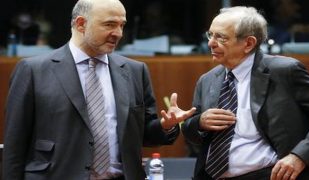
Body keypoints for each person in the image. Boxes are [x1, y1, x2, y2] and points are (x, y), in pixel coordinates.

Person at [3, 0, 195, 179]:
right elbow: (15, 145)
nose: (119, 33)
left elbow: (146, 134)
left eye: (122, 25)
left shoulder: (135, 71)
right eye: (110, 24)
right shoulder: (33, 70)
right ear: (80, 24)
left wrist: (166, 125)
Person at [181, 6, 309, 180]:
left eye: (221, 37)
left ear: (248, 43)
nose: (211, 43)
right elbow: (193, 136)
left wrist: (300, 156)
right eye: (211, 35)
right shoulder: (208, 80)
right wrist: (198, 123)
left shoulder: (284, 71)